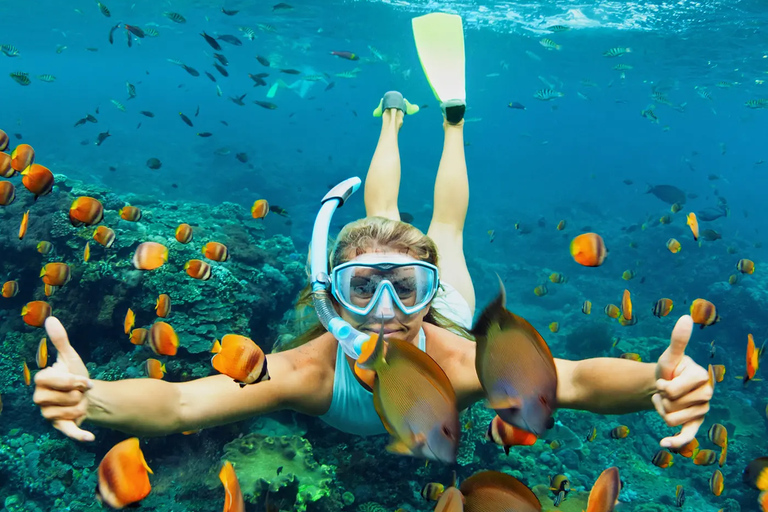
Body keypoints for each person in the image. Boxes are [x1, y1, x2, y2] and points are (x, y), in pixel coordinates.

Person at [34, 12, 712, 450]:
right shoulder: (308, 370)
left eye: (404, 286)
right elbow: (183, 404)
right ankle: (389, 124)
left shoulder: (460, 357)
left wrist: (657, 380)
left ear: (427, 290)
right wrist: (92, 396)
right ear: (334, 296)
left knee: (444, 225)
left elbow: (577, 382)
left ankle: (451, 122)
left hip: (448, 317)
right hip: (402, 305)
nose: (386, 310)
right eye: (364, 288)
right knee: (384, 216)